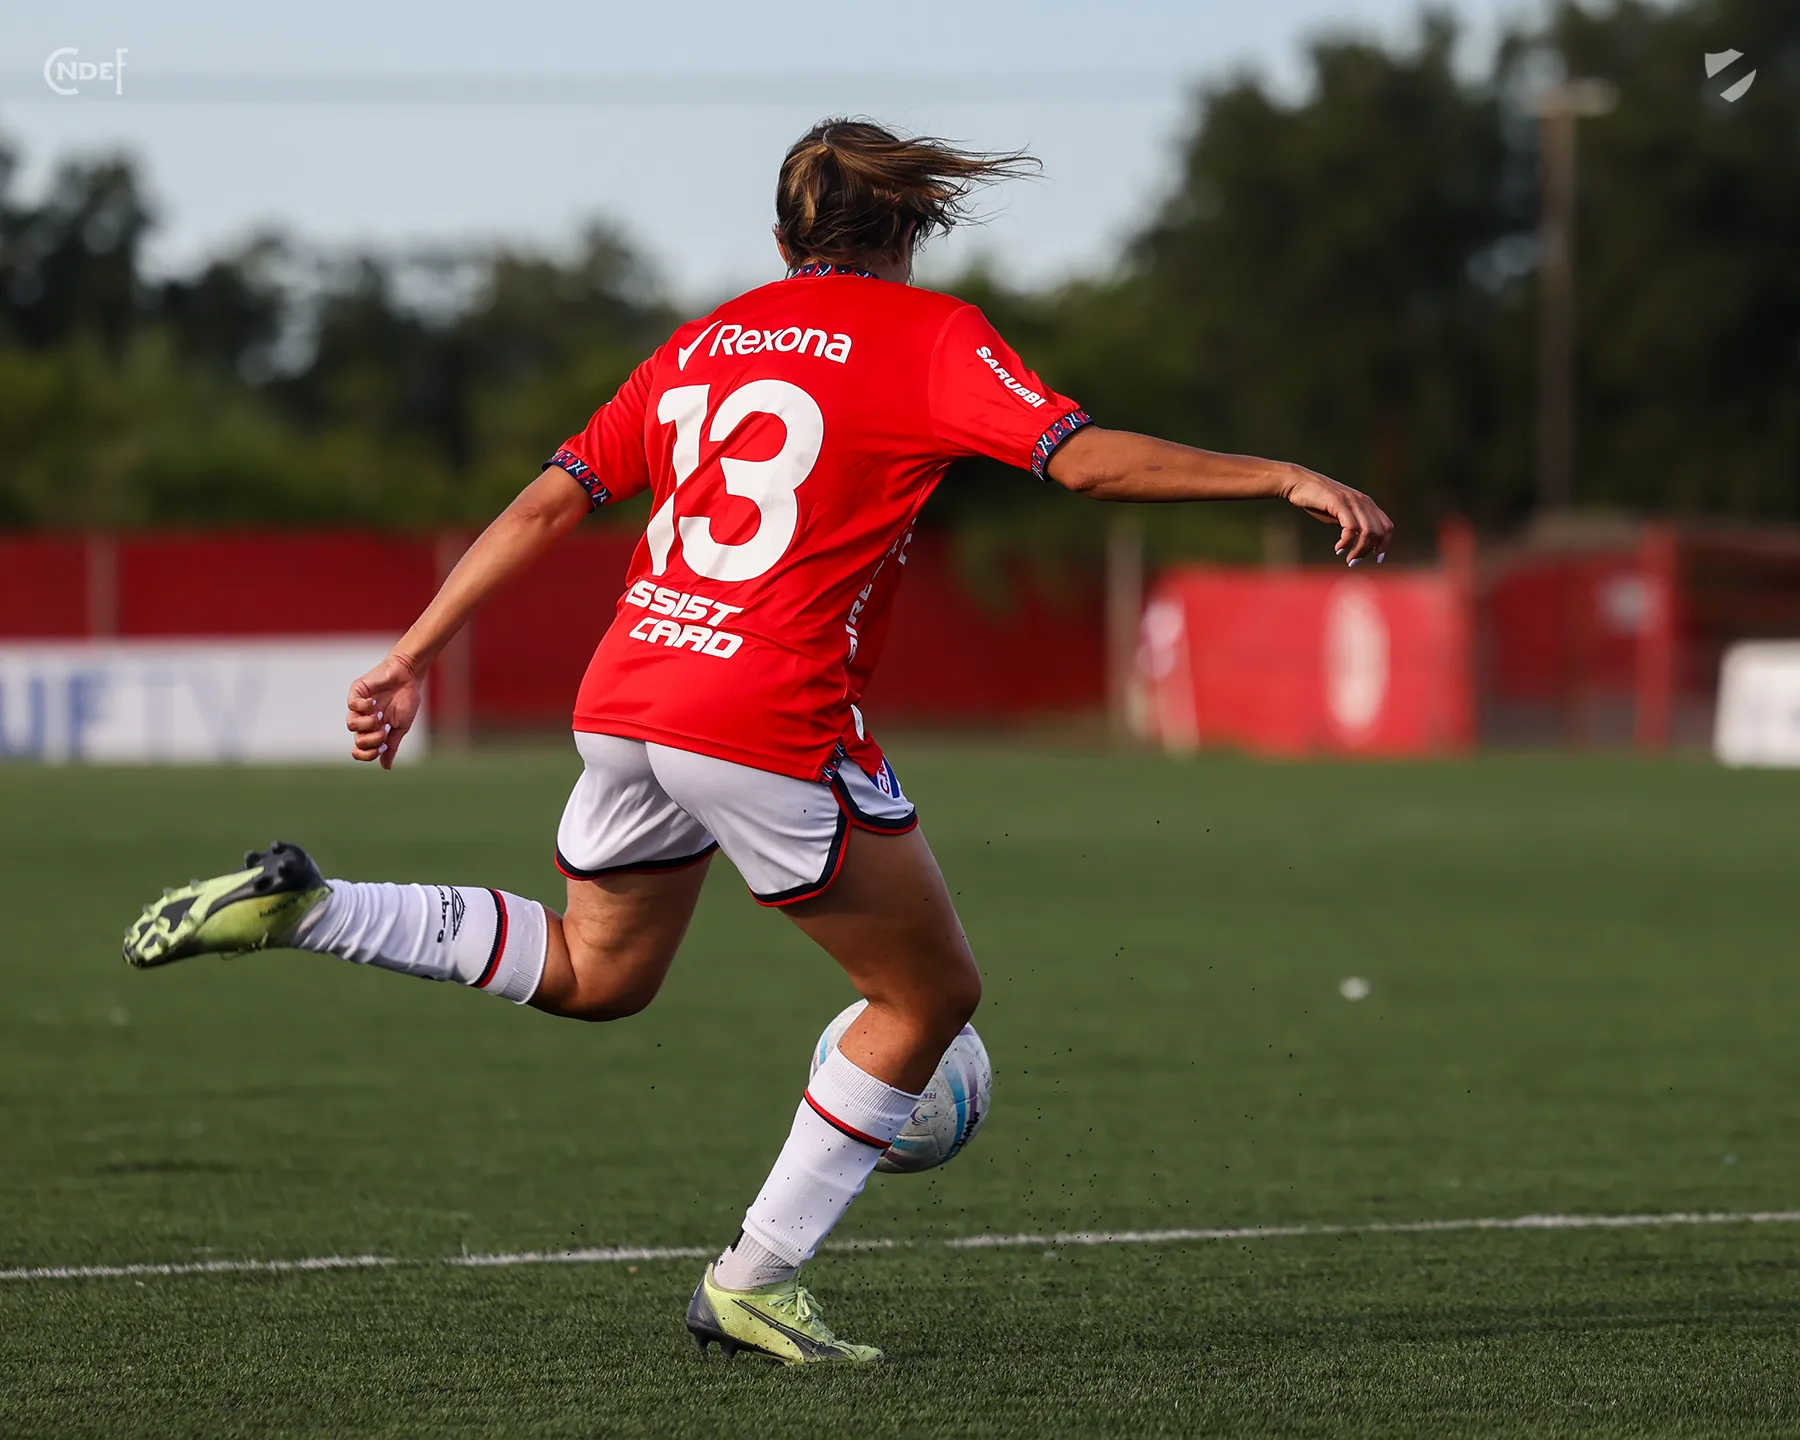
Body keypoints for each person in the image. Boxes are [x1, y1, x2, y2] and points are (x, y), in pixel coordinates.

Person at [121, 118, 1392, 1365]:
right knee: (929, 997)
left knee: (598, 972)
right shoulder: (932, 335)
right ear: (907, 230)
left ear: (784, 240)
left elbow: (551, 501)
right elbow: (1084, 462)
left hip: (630, 690)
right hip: (762, 709)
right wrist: (1278, 474)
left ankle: (312, 908)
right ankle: (755, 1280)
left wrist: (412, 652)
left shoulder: (703, 342)